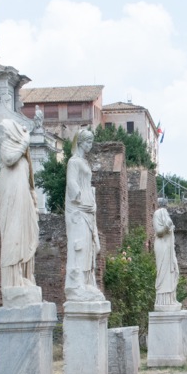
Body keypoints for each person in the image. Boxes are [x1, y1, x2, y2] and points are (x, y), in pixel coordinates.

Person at [0, 117, 39, 290]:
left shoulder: (22, 157)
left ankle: (24, 276)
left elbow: (30, 181)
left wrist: (33, 197)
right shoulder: (6, 144)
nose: (2, 134)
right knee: (12, 233)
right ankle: (12, 281)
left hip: (23, 197)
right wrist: (25, 143)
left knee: (25, 231)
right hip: (10, 194)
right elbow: (8, 159)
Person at [64, 128, 102, 301]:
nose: (90, 145)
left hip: (89, 210)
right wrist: (79, 196)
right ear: (80, 142)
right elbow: (72, 181)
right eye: (88, 142)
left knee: (89, 248)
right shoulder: (74, 161)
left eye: (91, 142)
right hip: (79, 210)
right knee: (79, 246)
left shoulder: (85, 162)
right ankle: (76, 283)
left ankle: (87, 282)